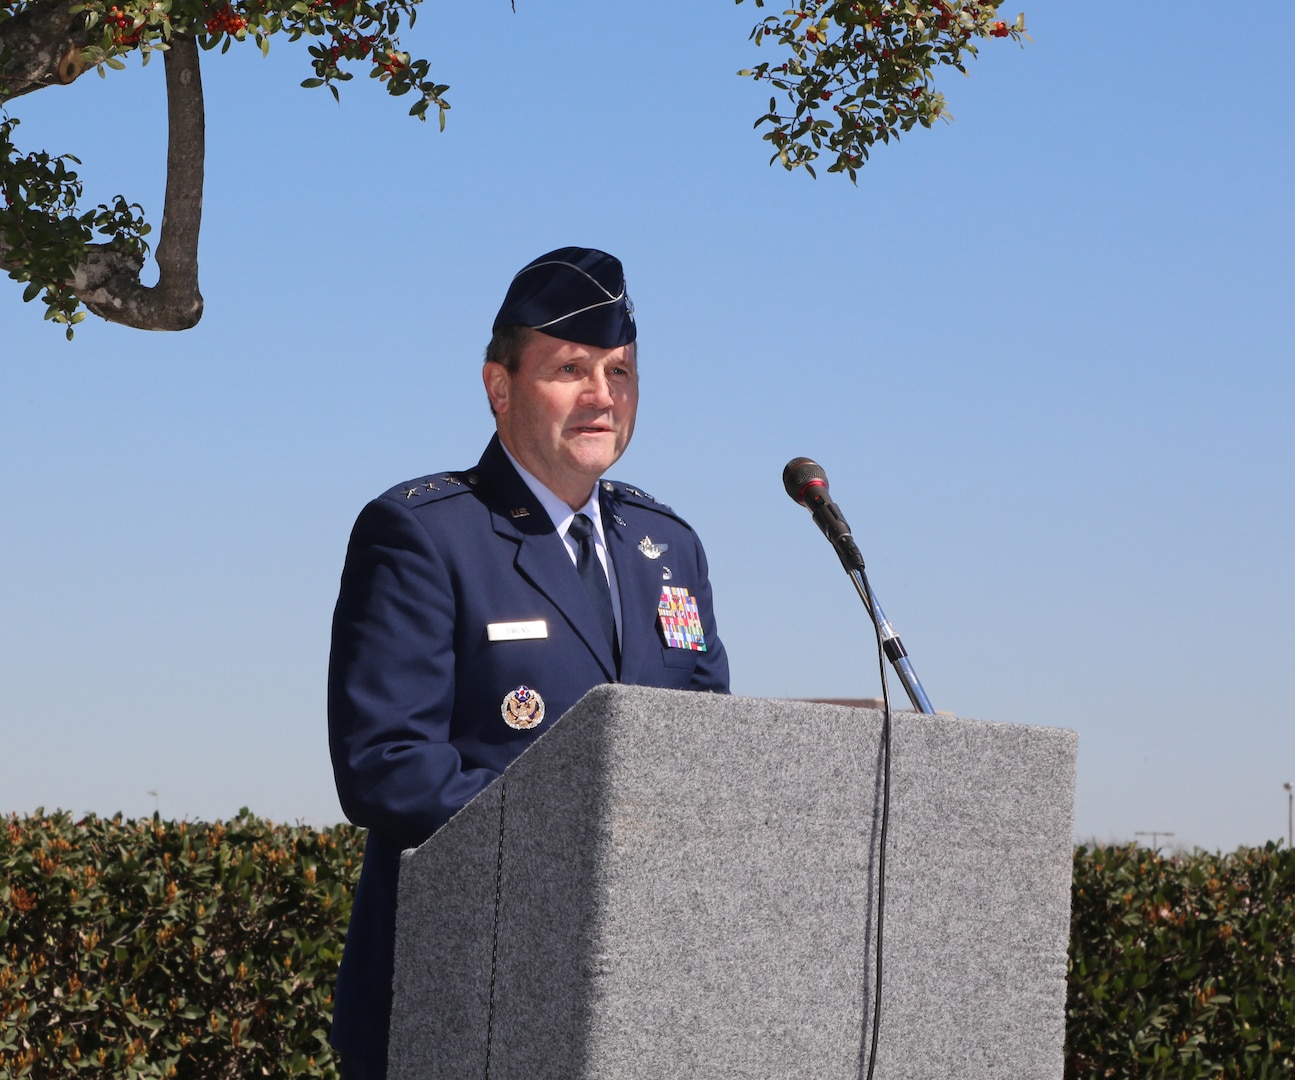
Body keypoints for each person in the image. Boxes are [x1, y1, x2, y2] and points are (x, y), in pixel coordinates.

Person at [326, 246, 730, 1077]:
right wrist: (588, 833)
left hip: (638, 1005)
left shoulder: (669, 548)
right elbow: (386, 767)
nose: (601, 396)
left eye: (619, 372)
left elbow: (703, 751)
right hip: (464, 991)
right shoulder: (426, 535)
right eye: (570, 369)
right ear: (499, 388)